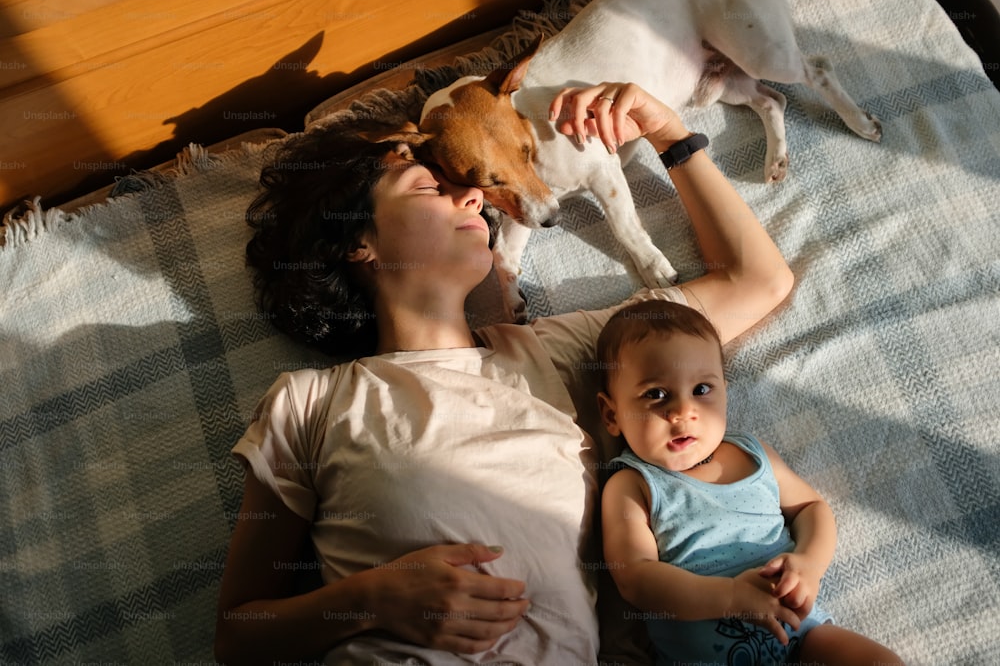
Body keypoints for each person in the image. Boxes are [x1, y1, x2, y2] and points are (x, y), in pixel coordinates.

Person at [213, 81, 794, 665]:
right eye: (430, 189)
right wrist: (371, 598)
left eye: (471, 192)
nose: (474, 200)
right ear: (358, 243)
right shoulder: (311, 404)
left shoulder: (557, 354)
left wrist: (668, 132)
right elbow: (238, 637)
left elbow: (757, 280)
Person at [596, 299, 904, 665]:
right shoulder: (634, 485)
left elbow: (811, 508)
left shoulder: (754, 455)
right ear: (611, 414)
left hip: (801, 635)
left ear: (725, 391)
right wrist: (729, 597)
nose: (682, 412)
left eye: (702, 389)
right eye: (656, 394)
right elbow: (635, 577)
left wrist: (808, 563)